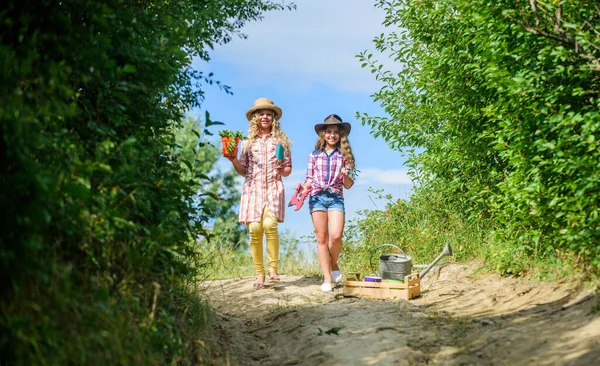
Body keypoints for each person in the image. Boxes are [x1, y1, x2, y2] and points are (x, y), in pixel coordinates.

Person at [226, 98, 292, 289]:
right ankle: (259, 274)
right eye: (261, 114)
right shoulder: (247, 143)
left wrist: (281, 169)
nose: (265, 117)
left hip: (273, 187)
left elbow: (288, 169)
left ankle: (273, 269)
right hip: (253, 188)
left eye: (268, 114)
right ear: (255, 118)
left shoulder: (281, 141)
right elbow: (243, 170)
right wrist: (233, 160)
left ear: (273, 118)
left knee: (270, 225)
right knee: (255, 230)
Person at [301, 114, 356, 292]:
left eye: (335, 132)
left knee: (336, 236)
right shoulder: (314, 155)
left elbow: (348, 185)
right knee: (322, 238)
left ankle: (332, 265)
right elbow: (309, 179)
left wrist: (345, 175)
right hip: (317, 197)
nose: (332, 135)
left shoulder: (345, 156)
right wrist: (303, 189)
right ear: (323, 134)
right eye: (329, 132)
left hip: (335, 198)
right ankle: (327, 279)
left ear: (341, 136)